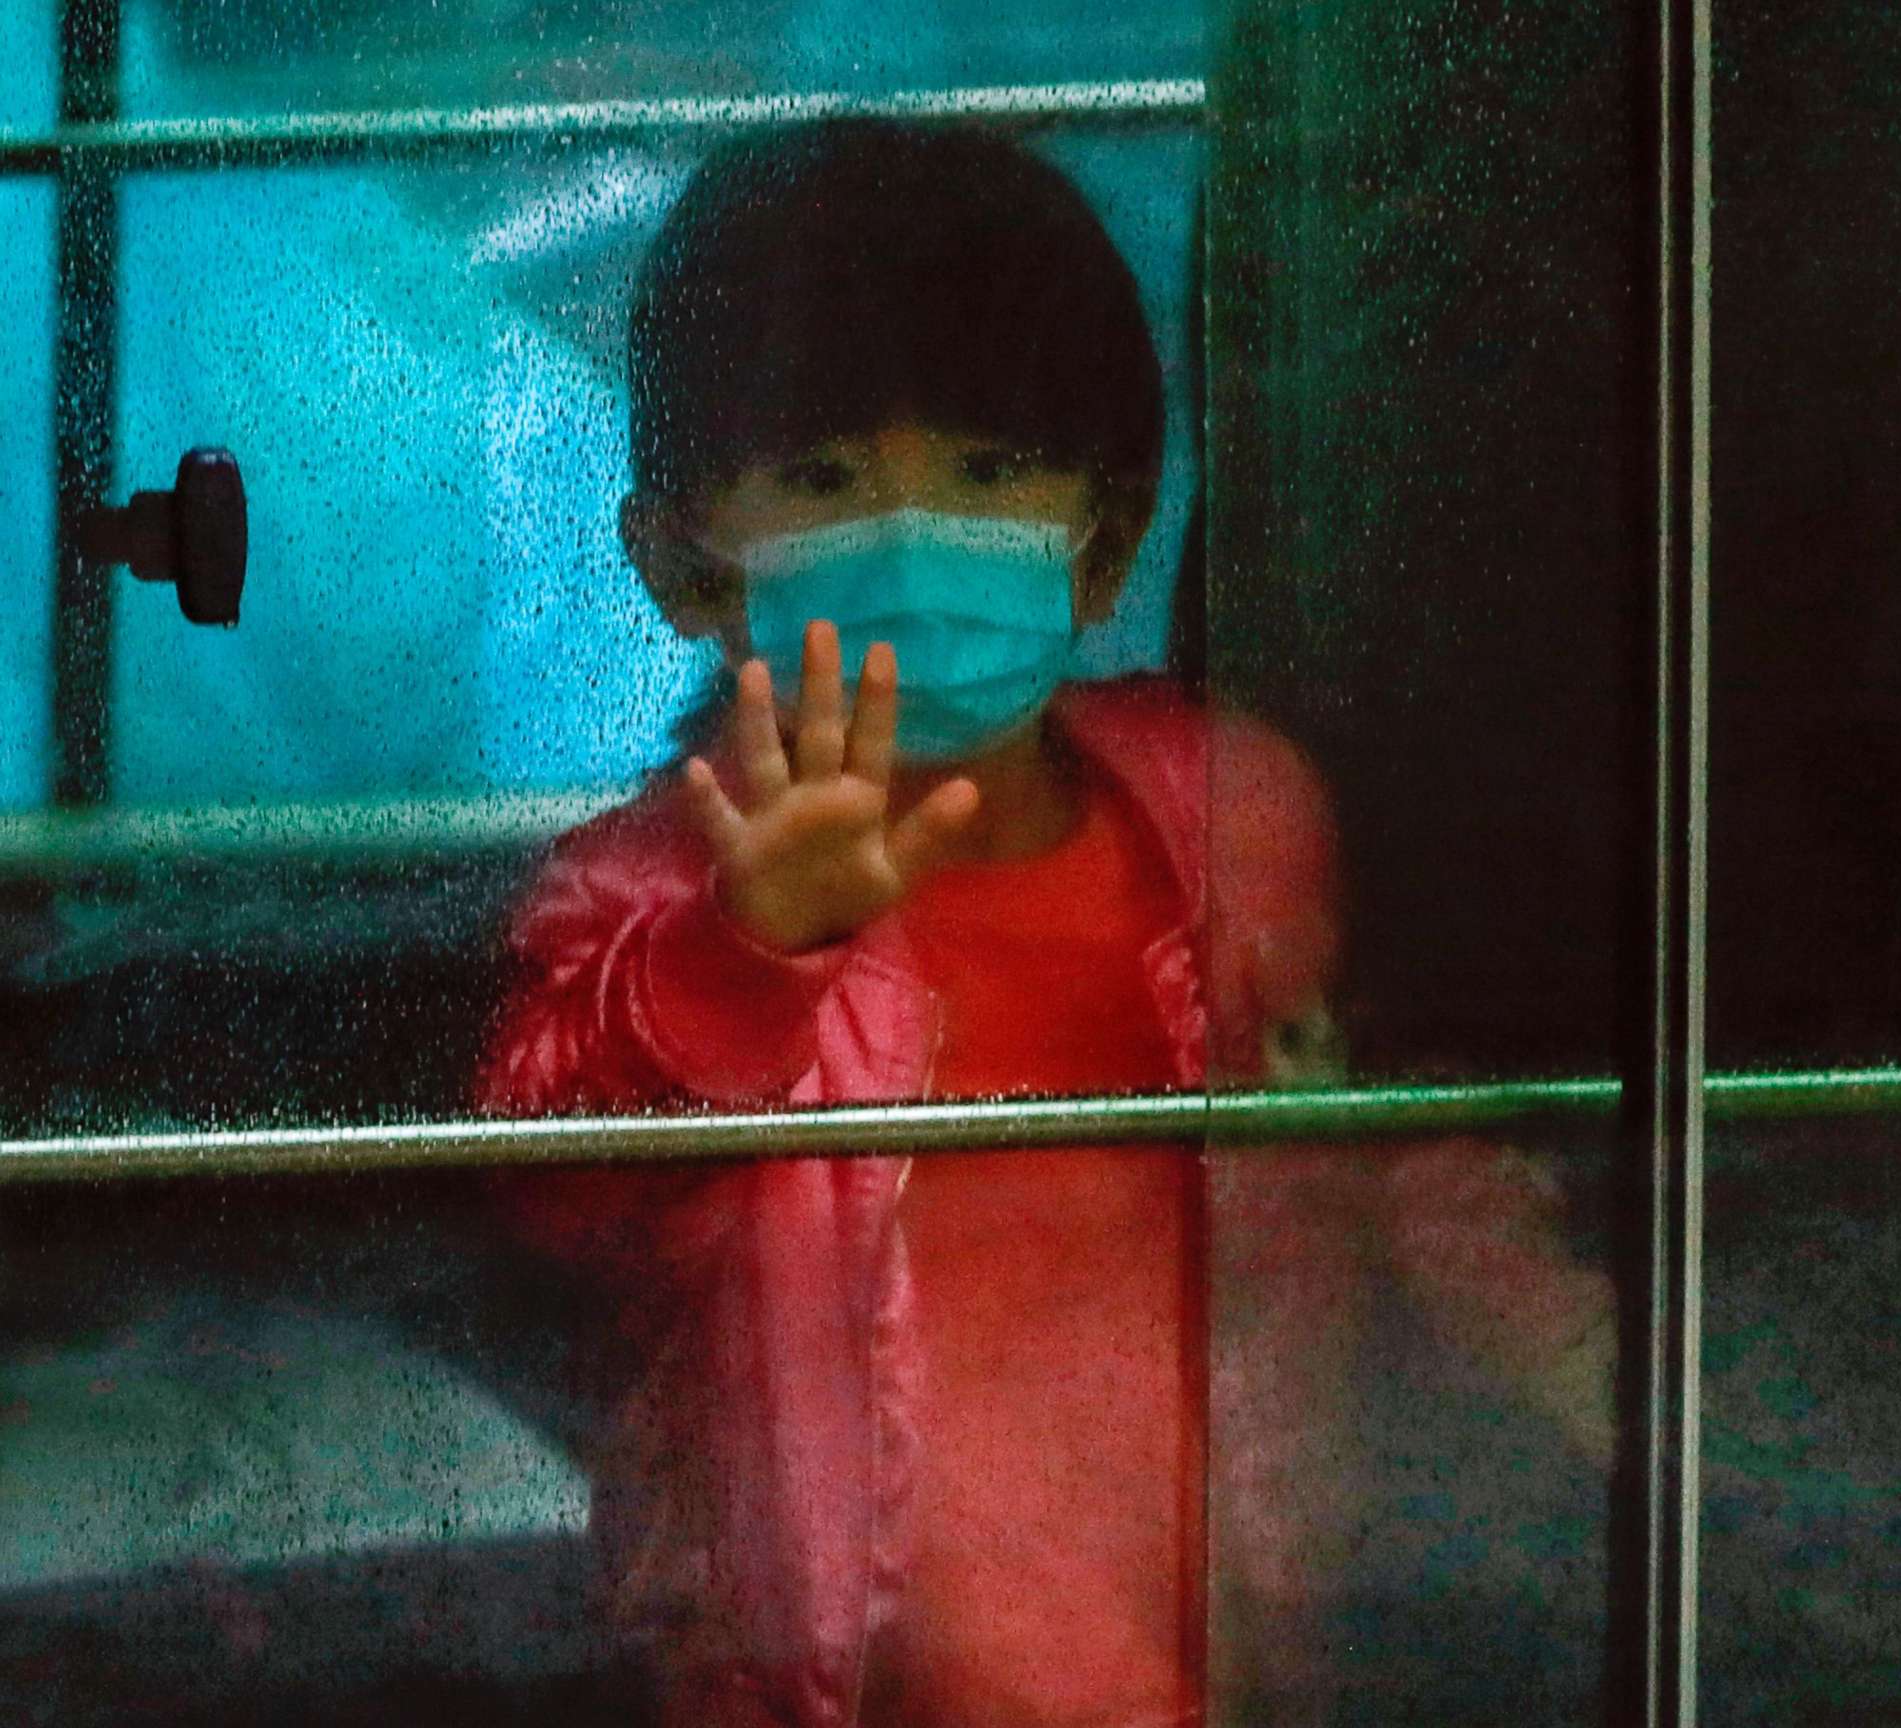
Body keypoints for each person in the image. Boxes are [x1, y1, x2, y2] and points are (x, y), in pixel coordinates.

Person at [479, 116, 1611, 1728]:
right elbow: (548, 1199)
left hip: (1219, 1659)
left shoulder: (1237, 822)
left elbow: (1370, 1137)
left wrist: (1601, 1370)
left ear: (1112, 539)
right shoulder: (638, 892)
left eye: (993, 472)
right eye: (821, 477)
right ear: (679, 559)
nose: (914, 536)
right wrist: (745, 956)